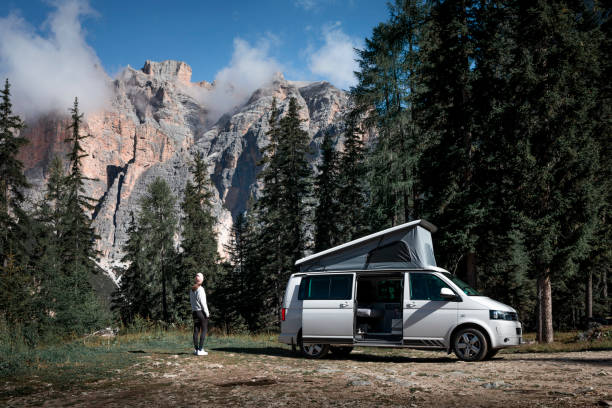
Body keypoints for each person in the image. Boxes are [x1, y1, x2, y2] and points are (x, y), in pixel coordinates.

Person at [190, 272, 210, 356]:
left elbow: (191, 301)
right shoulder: (200, 289)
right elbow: (203, 303)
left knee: (196, 330)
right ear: (201, 280)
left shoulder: (192, 289)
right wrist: (207, 313)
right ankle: (201, 350)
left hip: (194, 312)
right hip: (200, 312)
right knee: (204, 329)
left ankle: (196, 349)